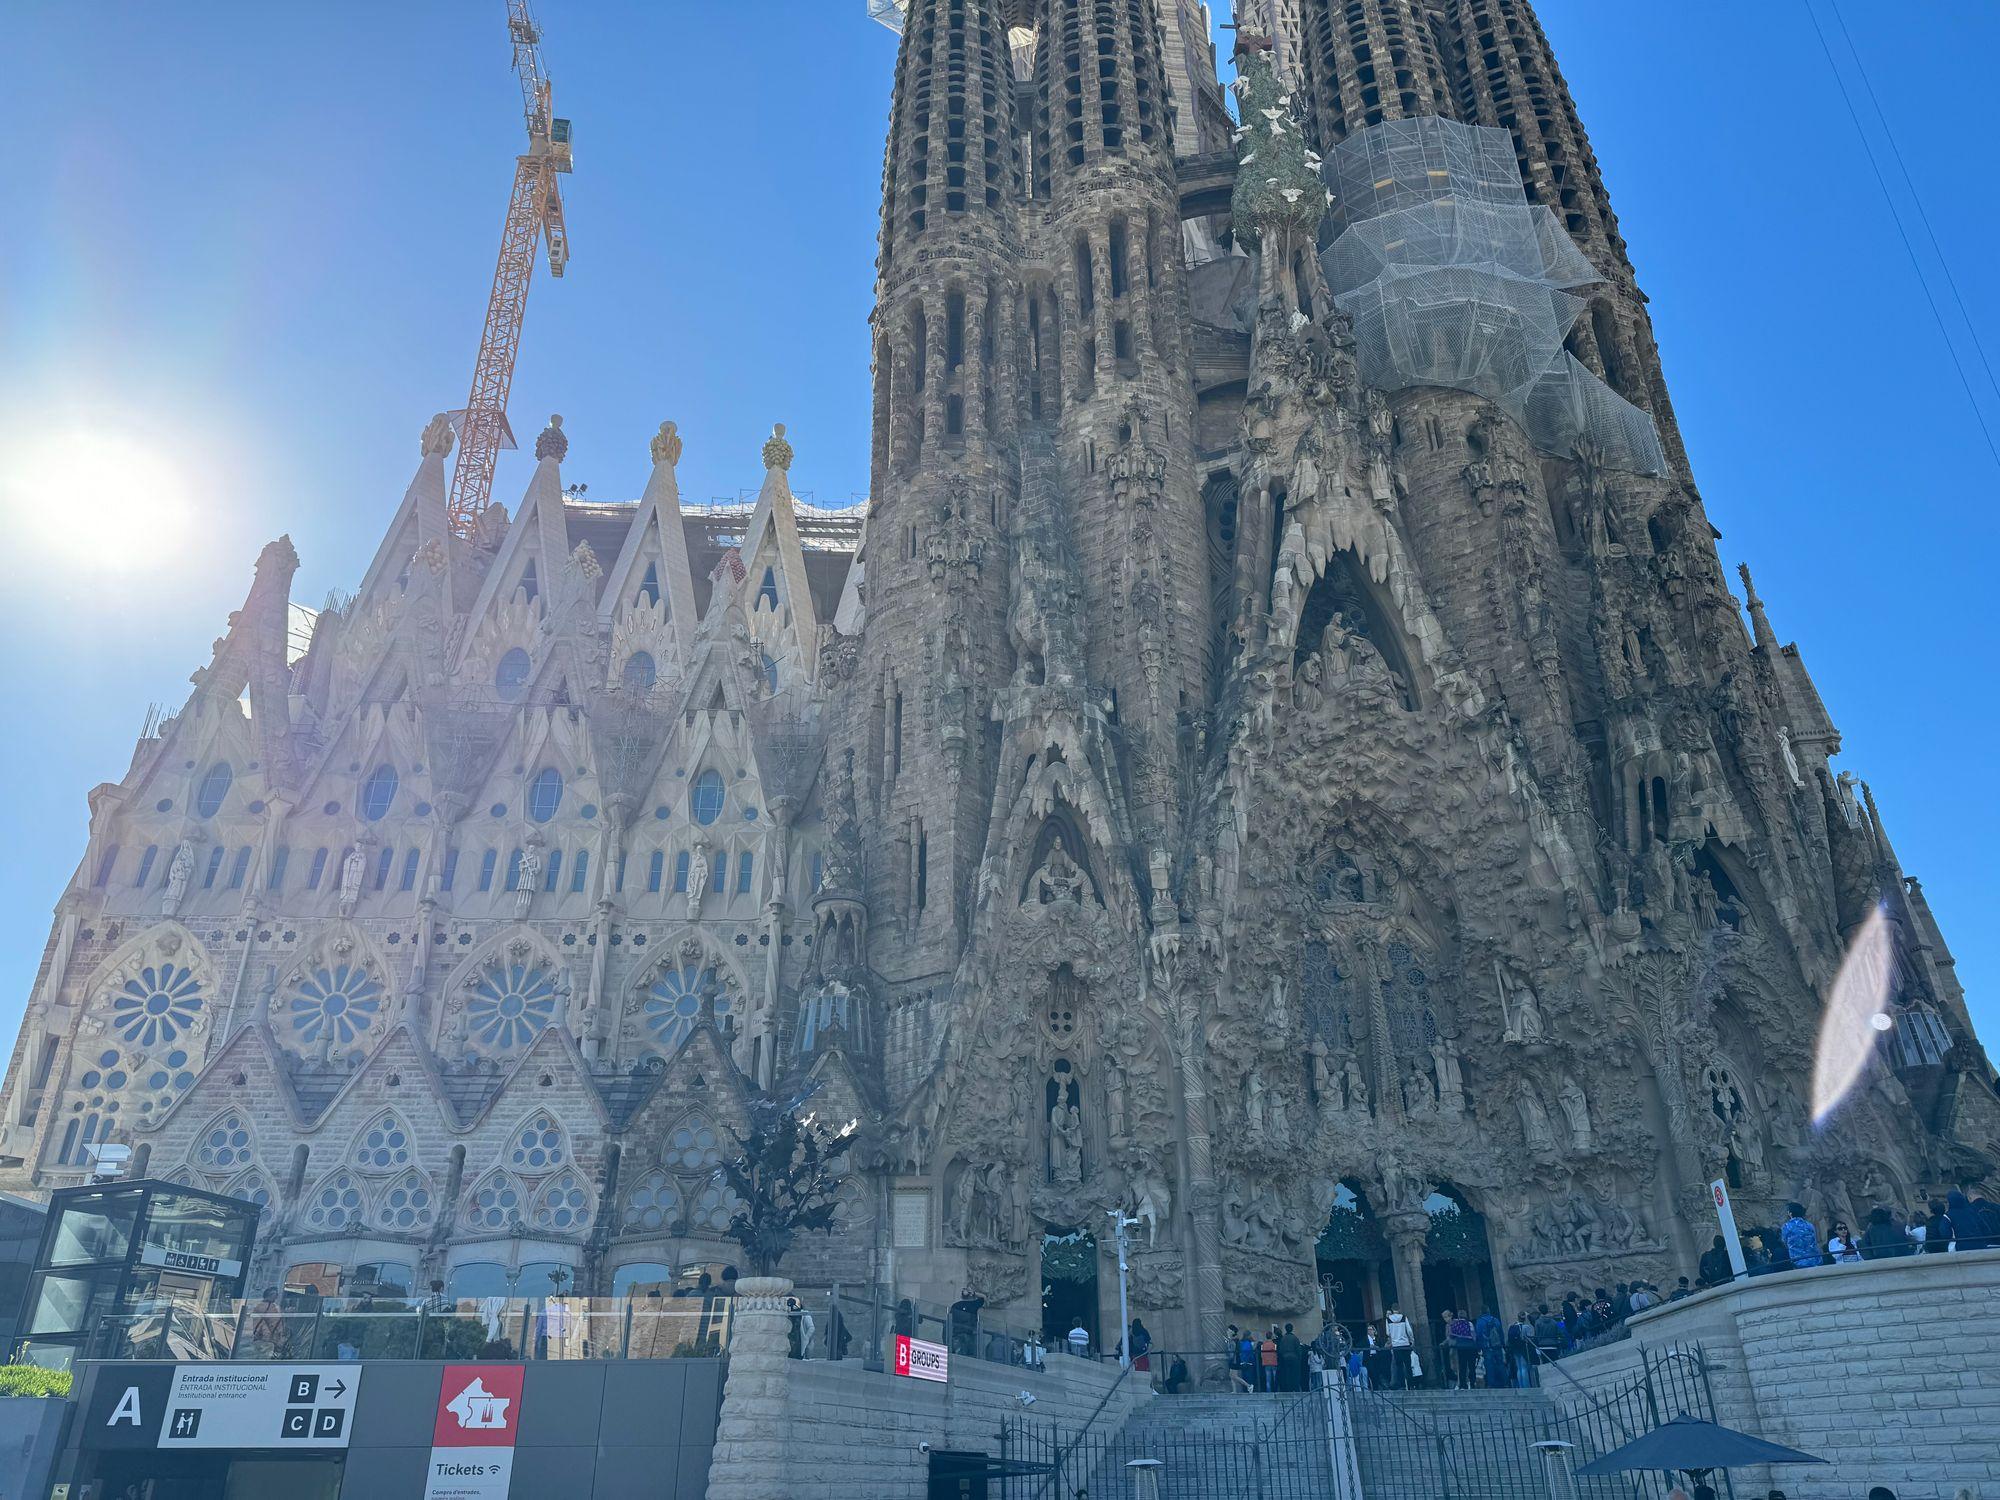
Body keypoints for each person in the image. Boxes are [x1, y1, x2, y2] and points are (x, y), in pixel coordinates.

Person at [1780, 1202, 1821, 1270]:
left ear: (1790, 1213)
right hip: (1815, 1260)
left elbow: (1784, 1242)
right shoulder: (1809, 1225)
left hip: (1797, 1262)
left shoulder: (1786, 1226)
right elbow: (1815, 1240)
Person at [1445, 1310, 1477, 1389]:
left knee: (1462, 1366)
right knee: (1471, 1366)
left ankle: (1463, 1384)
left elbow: (1451, 1336)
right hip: (1470, 1347)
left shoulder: (1455, 1325)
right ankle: (1472, 1383)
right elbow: (1474, 1336)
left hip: (1461, 1348)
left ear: (1458, 1316)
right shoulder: (1469, 1324)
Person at [949, 1287, 985, 1356]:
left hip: (957, 1334)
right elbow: (984, 1297)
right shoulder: (973, 1304)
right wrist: (974, 1293)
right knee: (970, 1356)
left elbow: (950, 1320)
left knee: (958, 1355)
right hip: (969, 1334)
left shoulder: (955, 1305)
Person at [1384, 1306, 1413, 1389]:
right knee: (1408, 1365)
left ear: (1392, 1310)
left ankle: (1402, 1384)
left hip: (1396, 1345)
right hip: (1405, 1343)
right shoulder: (1404, 1317)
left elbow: (1387, 1332)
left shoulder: (1388, 1319)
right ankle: (1411, 1384)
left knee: (1399, 1365)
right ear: (1399, 1309)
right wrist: (1411, 1340)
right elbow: (1409, 1331)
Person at [1475, 1307, 1505, 1389]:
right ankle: (1505, 1382)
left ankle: (1491, 1384)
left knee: (1489, 1365)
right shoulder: (1495, 1320)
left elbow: (1478, 1335)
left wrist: (1478, 1347)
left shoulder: (1480, 1321)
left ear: (1481, 1312)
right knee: (1501, 1364)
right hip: (1497, 1345)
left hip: (1487, 1346)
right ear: (1489, 1311)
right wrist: (1502, 1343)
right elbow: (1500, 1332)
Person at [1506, 1311, 1535, 1388]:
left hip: (1515, 1349)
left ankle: (1521, 1385)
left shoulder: (1512, 1326)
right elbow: (1530, 1338)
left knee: (1519, 1367)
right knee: (1524, 1367)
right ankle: (1526, 1386)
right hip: (1523, 1348)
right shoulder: (1526, 1327)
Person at [1532, 1304, 1561, 1370]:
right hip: (1553, 1344)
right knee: (1555, 1364)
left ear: (1540, 1311)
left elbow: (1537, 1334)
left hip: (1543, 1345)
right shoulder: (1553, 1322)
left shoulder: (1538, 1322)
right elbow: (1558, 1332)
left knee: (1546, 1365)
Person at [1276, 1322, 1303, 1392]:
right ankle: (1294, 1387)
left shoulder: (1283, 1338)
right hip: (1294, 1357)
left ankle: (1287, 1388)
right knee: (1294, 1374)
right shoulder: (1295, 1338)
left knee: (1286, 1374)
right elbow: (1298, 1349)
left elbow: (1280, 1350)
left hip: (1285, 1357)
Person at [1259, 1328, 1280, 1392]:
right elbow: (1276, 1354)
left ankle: (1269, 1391)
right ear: (1271, 1336)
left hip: (1266, 1363)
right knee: (1274, 1378)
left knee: (1268, 1380)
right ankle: (1276, 1390)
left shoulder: (1262, 1345)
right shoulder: (1274, 1345)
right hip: (1274, 1363)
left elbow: (1261, 1355)